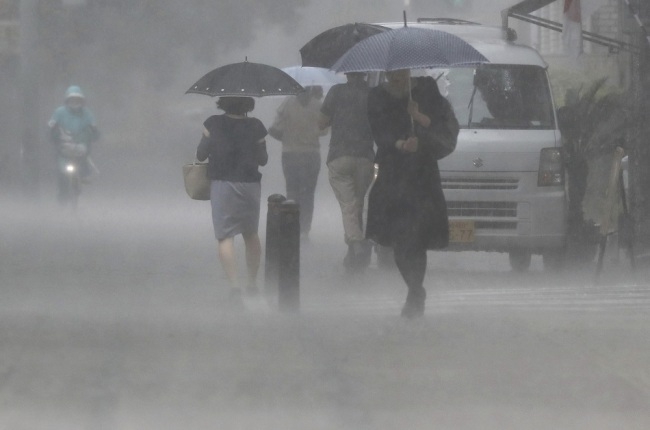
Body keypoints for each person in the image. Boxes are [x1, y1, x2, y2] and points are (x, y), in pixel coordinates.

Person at [366, 69, 459, 318]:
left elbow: (441, 127)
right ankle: (414, 287)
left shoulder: (427, 89)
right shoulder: (376, 96)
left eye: (401, 73)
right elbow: (379, 132)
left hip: (422, 176)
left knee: (417, 238)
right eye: (391, 74)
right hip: (392, 175)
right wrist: (399, 144)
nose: (397, 78)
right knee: (399, 238)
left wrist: (418, 118)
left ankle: (415, 290)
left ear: (408, 70)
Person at [196, 96, 268, 308]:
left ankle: (235, 287)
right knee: (250, 233)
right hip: (249, 185)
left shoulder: (213, 123)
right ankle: (252, 283)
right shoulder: (256, 126)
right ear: (248, 104)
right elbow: (263, 160)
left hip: (222, 184)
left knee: (225, 236)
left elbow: (200, 155)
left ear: (222, 102)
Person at [319, 72, 375, 271]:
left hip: (339, 155)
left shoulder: (336, 92)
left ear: (347, 73)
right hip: (365, 156)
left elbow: (321, 123)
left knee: (348, 204)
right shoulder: (373, 94)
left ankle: (356, 242)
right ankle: (354, 252)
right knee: (358, 204)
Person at [269, 86, 324, 240]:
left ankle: (291, 225)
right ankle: (305, 230)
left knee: (292, 191)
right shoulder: (318, 105)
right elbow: (324, 130)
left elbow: (275, 126)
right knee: (308, 193)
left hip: (290, 153)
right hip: (311, 154)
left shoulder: (287, 102)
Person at [47, 85, 99, 203]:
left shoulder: (87, 114)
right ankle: (62, 200)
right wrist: (54, 136)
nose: (75, 102)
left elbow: (94, 130)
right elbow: (51, 128)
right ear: (67, 100)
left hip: (80, 151)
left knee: (82, 171)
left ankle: (79, 189)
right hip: (64, 151)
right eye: (72, 99)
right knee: (62, 176)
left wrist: (93, 134)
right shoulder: (59, 112)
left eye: (77, 100)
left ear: (81, 101)